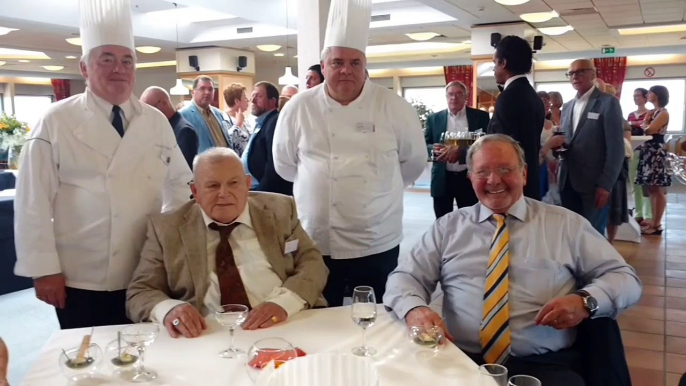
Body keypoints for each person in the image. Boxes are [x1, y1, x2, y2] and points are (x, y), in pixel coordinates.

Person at [384, 134, 642, 386]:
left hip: (542, 365)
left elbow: (625, 278)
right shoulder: (449, 227)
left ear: (524, 173)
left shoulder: (565, 224)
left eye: (505, 169)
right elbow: (406, 277)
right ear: (470, 177)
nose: (494, 180)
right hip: (459, 359)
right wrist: (414, 309)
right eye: (482, 172)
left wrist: (586, 301)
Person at [13, 0, 193, 330]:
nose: (118, 69)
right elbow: (31, 203)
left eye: (127, 60)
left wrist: (172, 246)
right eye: (106, 59)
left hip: (147, 271)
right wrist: (43, 268)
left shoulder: (154, 121)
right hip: (81, 276)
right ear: (84, 68)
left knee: (149, 360)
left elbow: (180, 185)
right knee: (90, 361)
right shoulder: (55, 121)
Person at [273, 0, 426, 307]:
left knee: (377, 318)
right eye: (337, 62)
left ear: (365, 65)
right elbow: (284, 165)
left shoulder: (393, 107)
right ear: (323, 65)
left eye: (355, 63)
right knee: (316, 316)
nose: (346, 70)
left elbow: (413, 164)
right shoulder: (299, 108)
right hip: (316, 239)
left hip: (375, 240)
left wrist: (377, 193)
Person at [127, 148, 328, 338]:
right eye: (213, 185)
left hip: (287, 322)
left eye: (233, 183)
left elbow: (312, 263)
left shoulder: (280, 210)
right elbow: (140, 292)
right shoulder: (167, 229)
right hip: (209, 334)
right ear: (195, 191)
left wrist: (285, 303)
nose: (224, 193)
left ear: (248, 185)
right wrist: (170, 309)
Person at [542, 59, 624, 234]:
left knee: (592, 234)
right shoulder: (568, 106)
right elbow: (568, 140)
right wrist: (557, 148)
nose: (574, 77)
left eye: (580, 72)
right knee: (571, 232)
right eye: (571, 73)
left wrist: (605, 184)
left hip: (594, 183)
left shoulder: (608, 103)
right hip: (567, 180)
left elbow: (616, 149)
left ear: (593, 75)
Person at [487, 35, 544, 200]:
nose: (493, 69)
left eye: (494, 63)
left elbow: (499, 145)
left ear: (503, 63)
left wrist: (463, 154)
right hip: (530, 177)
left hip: (510, 183)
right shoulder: (533, 96)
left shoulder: (508, 97)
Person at [425, 81, 489, 218]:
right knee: (442, 221)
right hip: (442, 178)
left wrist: (462, 152)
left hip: (468, 177)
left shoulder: (480, 117)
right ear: (446, 97)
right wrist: (433, 150)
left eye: (459, 94)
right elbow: (425, 145)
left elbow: (486, 144)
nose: (454, 98)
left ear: (466, 96)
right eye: (451, 94)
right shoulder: (434, 119)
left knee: (470, 220)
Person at [242, 81, 292, 195]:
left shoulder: (274, 122)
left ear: (273, 101)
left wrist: (261, 193)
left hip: (266, 192)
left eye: (259, 96)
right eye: (252, 96)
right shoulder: (263, 122)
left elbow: (273, 163)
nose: (253, 101)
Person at [635, 86, 671, 236]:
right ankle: (653, 221)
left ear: (657, 95)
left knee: (658, 189)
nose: (647, 95)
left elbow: (649, 130)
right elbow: (646, 127)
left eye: (650, 93)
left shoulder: (663, 112)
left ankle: (656, 224)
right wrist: (647, 121)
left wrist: (647, 122)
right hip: (648, 151)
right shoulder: (653, 112)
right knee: (651, 189)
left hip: (655, 151)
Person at [140, 86, 199, 169]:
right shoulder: (166, 126)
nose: (149, 114)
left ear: (164, 103)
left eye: (151, 108)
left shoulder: (184, 131)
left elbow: (183, 170)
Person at [180, 76, 231, 153]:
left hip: (226, 161)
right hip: (203, 163)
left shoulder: (219, 114)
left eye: (210, 89)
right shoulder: (183, 115)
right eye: (202, 89)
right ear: (193, 92)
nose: (207, 92)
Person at [628, 88, 652, 226]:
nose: (635, 98)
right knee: (634, 184)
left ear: (645, 98)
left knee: (646, 185)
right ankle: (638, 213)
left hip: (645, 151)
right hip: (633, 150)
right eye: (634, 96)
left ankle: (648, 214)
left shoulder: (650, 113)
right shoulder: (631, 115)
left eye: (638, 96)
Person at [223, 83, 252, 157]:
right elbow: (227, 142)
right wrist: (238, 124)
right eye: (245, 97)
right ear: (237, 101)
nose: (248, 100)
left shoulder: (245, 119)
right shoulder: (224, 119)